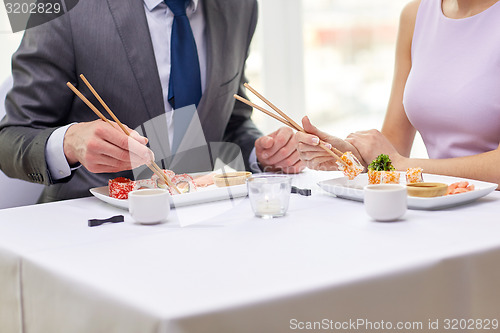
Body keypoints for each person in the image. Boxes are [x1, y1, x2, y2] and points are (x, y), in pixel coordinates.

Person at [0, 0, 304, 203]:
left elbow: (232, 119)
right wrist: (70, 143)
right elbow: (10, 139)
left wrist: (262, 153)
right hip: (93, 226)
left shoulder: (240, 6)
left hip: (205, 221)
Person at [296, 0, 500, 188]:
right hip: (439, 201)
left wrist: (402, 165)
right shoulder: (416, 15)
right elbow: (394, 147)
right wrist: (347, 153)